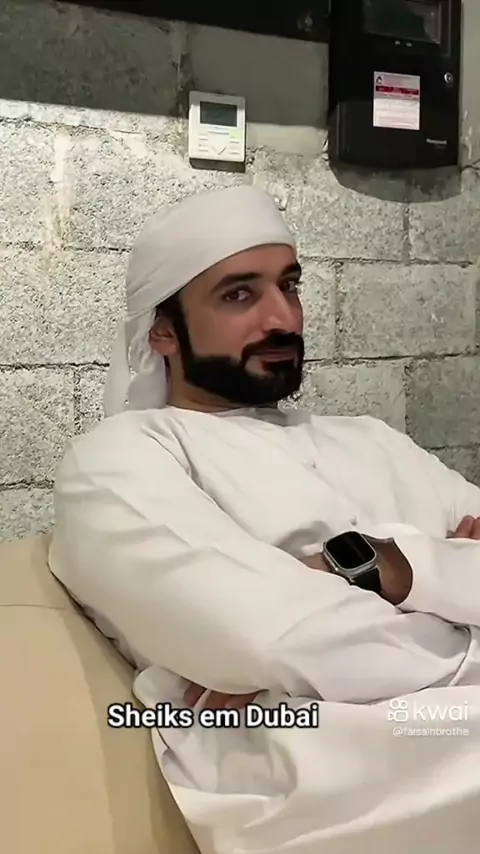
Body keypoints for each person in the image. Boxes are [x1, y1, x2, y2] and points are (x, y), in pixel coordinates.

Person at [49, 186, 480, 854]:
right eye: (238, 295)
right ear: (162, 331)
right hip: (330, 784)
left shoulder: (370, 438)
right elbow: (275, 640)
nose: (283, 317)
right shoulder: (119, 458)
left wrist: (385, 564)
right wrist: (449, 591)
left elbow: (296, 651)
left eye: (290, 285)